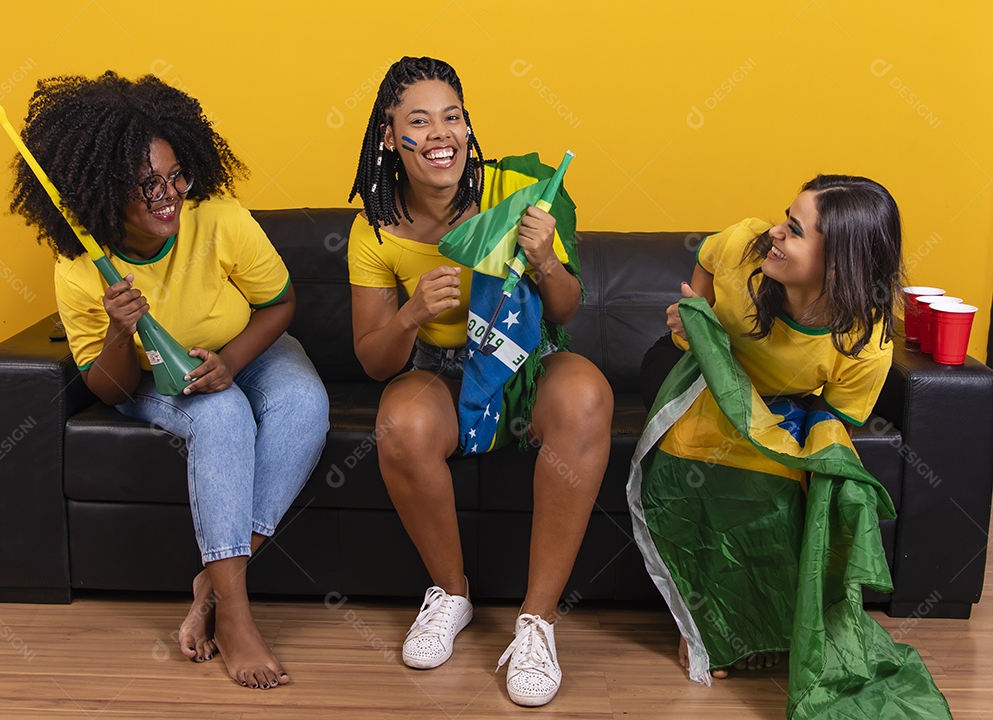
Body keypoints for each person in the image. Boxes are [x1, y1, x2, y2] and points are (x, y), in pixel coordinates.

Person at [7, 71, 329, 690]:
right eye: (146, 184)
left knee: (303, 403)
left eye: (176, 175)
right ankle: (237, 618)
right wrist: (118, 334)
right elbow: (112, 391)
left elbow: (281, 303)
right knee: (222, 414)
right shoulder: (79, 269)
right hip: (158, 376)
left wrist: (232, 362)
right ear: (101, 189)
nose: (168, 195)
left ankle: (210, 589)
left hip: (248, 350)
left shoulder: (220, 217)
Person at [346, 56, 613, 707]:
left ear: (468, 127)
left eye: (453, 117)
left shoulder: (518, 191)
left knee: (586, 395)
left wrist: (546, 259)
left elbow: (566, 309)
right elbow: (375, 361)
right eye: (419, 121)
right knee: (400, 421)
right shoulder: (375, 230)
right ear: (390, 137)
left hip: (526, 360)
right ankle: (452, 595)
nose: (441, 134)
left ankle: (537, 622)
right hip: (440, 373)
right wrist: (411, 312)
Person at [652, 175, 902, 679]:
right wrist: (693, 321)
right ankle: (703, 621)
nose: (774, 232)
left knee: (789, 482)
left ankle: (763, 618)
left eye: (794, 229)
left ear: (840, 264)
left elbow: (838, 420)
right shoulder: (747, 247)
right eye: (784, 217)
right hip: (690, 370)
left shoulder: (866, 338)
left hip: (772, 401)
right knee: (701, 467)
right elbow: (705, 257)